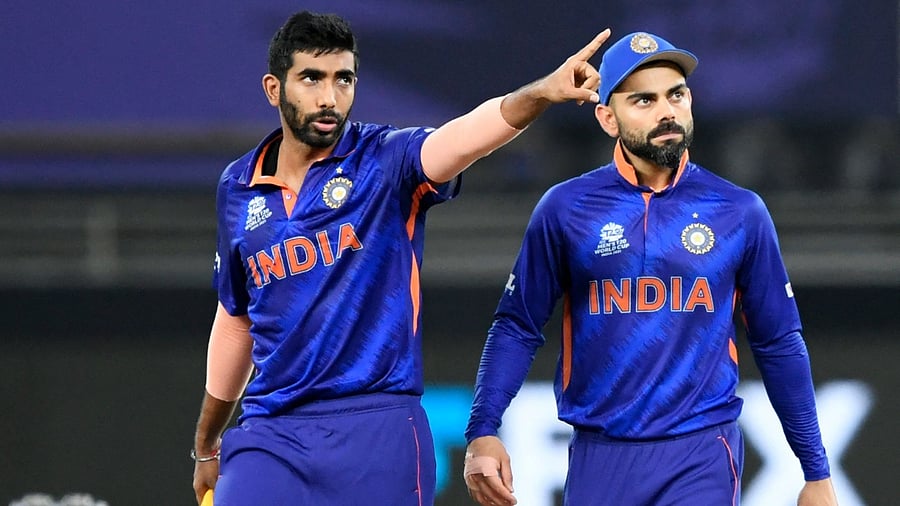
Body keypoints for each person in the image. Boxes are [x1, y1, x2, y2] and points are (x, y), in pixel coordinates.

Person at [189, 10, 612, 506]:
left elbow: (464, 137)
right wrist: (206, 441)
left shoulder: (386, 161)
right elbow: (237, 318)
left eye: (343, 79)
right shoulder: (237, 188)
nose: (329, 98)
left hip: (378, 427)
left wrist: (540, 93)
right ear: (273, 88)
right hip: (272, 432)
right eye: (311, 78)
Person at [462, 32, 838, 506]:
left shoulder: (738, 211)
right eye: (643, 99)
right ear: (607, 117)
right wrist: (483, 429)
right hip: (600, 455)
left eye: (675, 95)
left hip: (701, 449)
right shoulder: (566, 208)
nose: (666, 111)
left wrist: (816, 472)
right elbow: (517, 325)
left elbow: (779, 340)